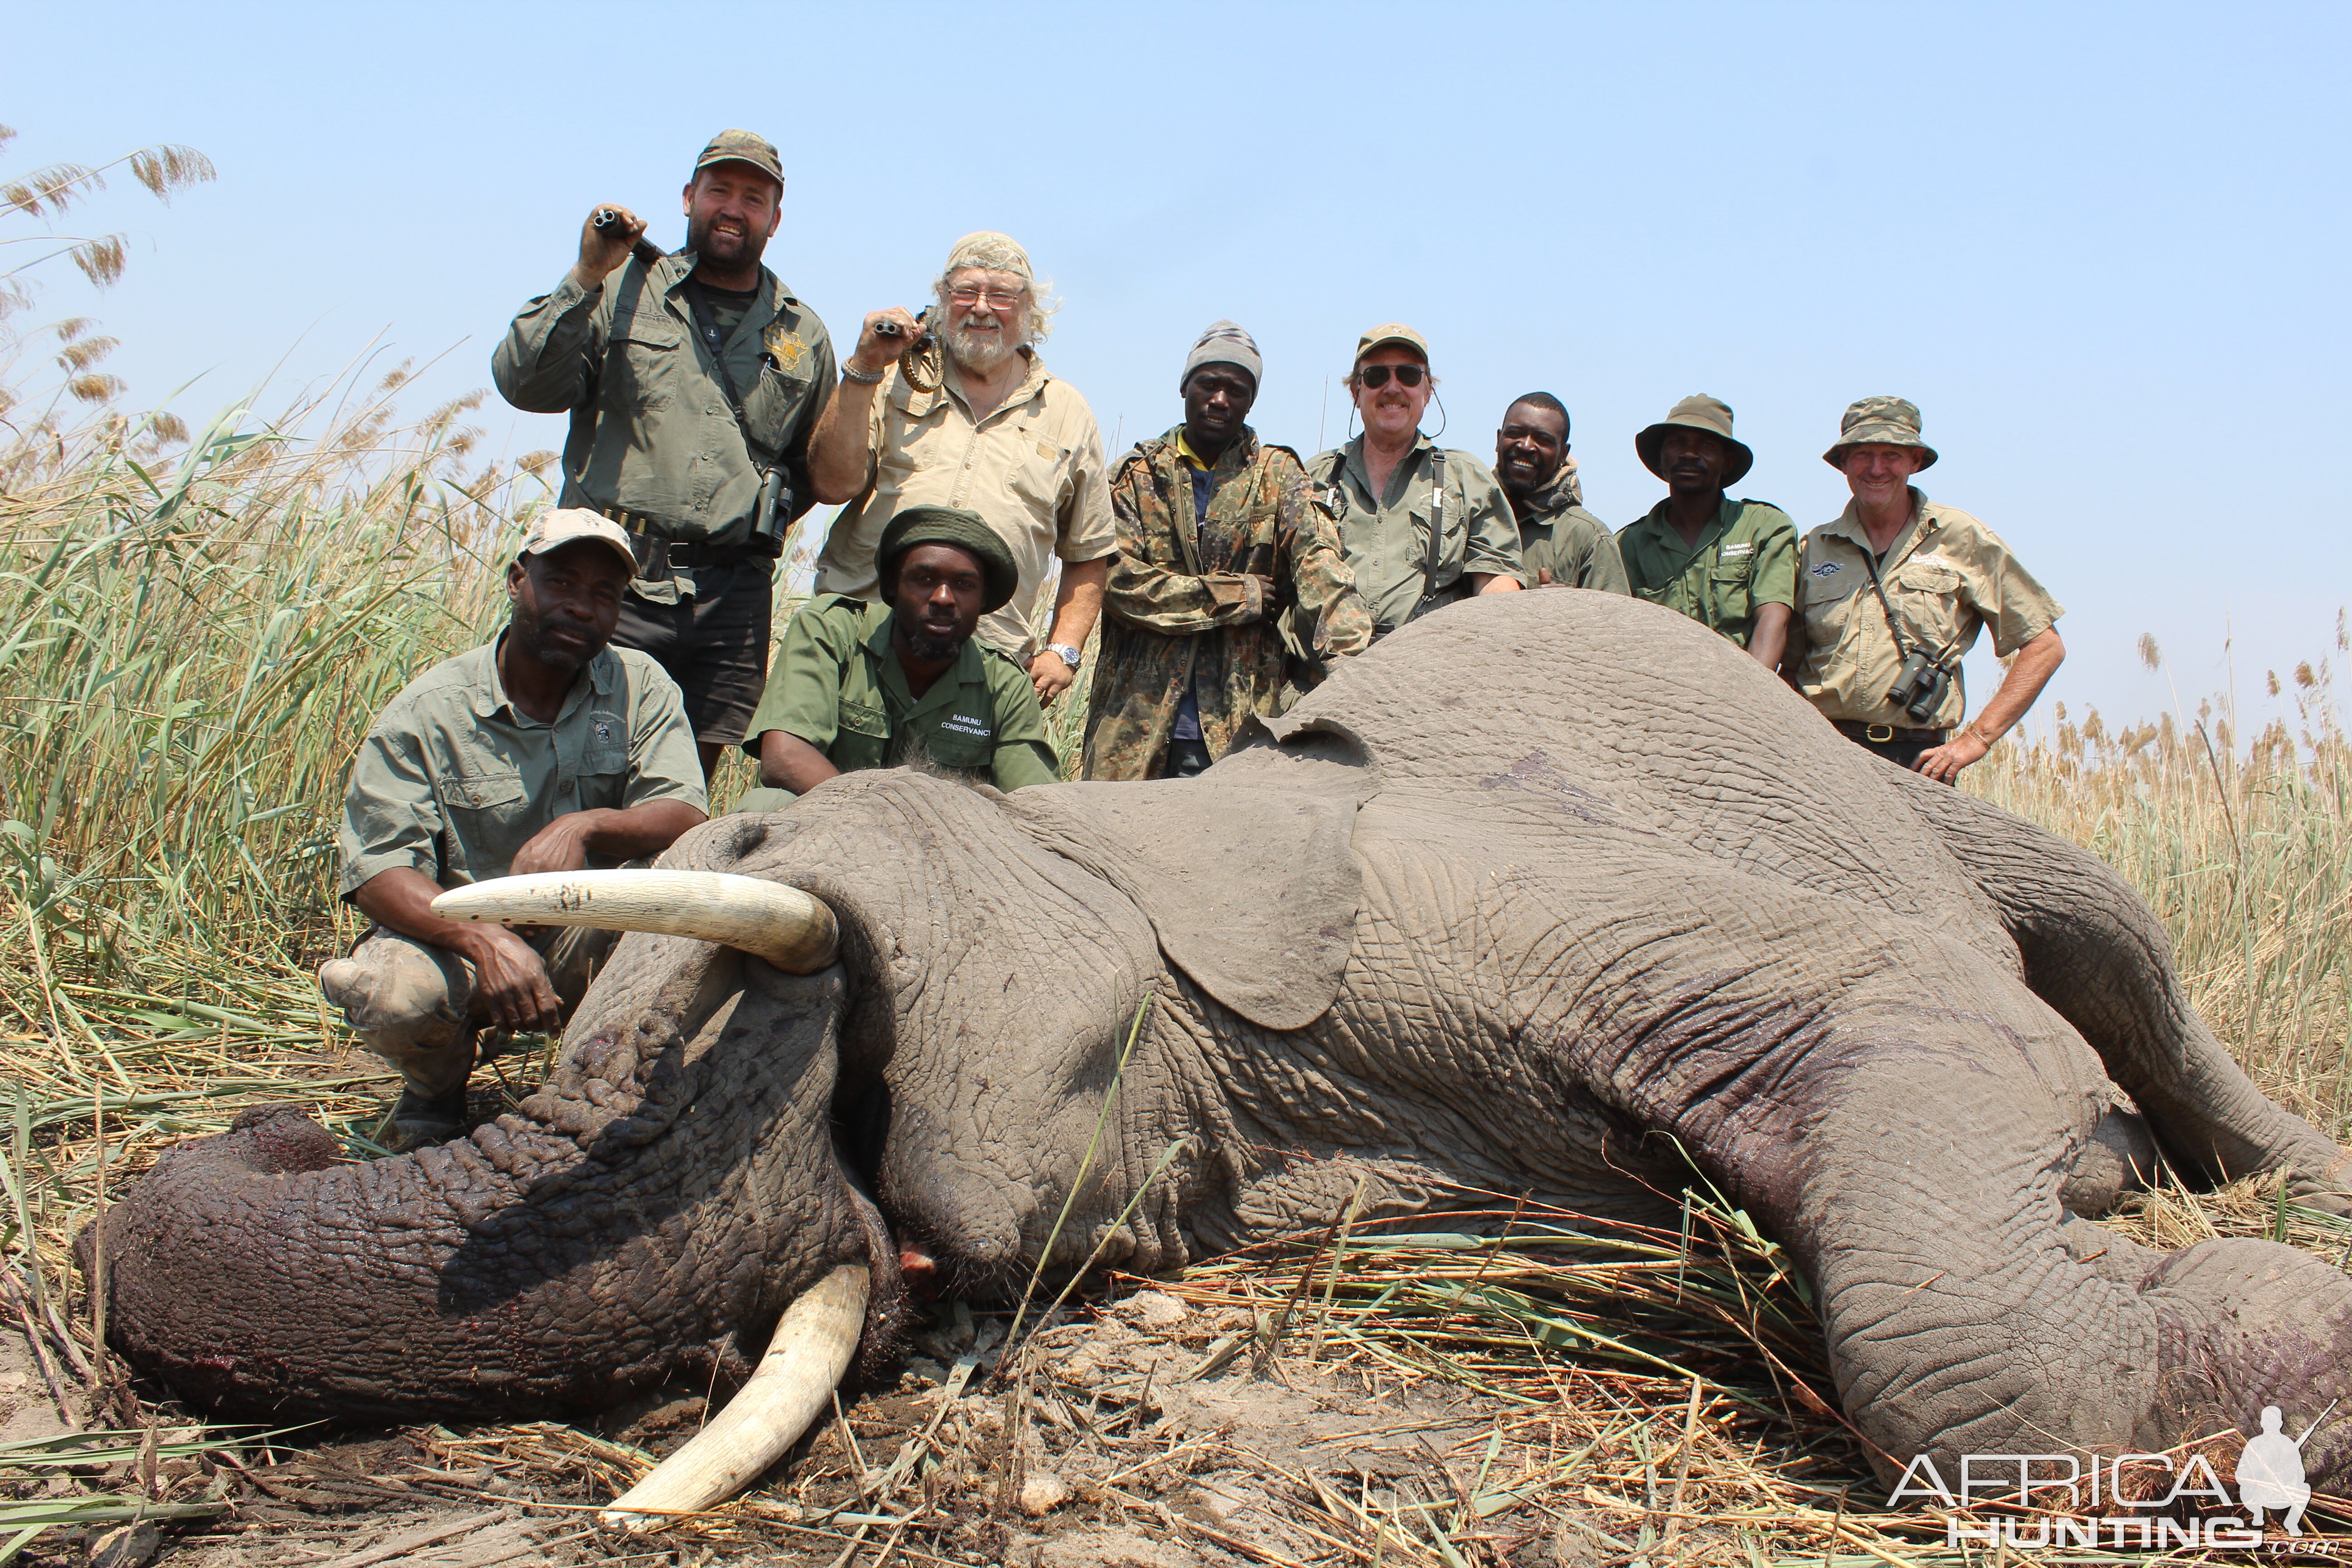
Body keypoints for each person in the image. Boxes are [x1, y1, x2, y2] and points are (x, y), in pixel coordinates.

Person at [320, 511, 709, 1150]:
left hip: (583, 934)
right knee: (391, 995)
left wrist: (586, 825)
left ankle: (601, 1080)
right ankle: (437, 1087)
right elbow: (379, 873)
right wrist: (483, 941)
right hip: (457, 943)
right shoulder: (428, 711)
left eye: (603, 595)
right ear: (517, 580)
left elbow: (686, 816)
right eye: (561, 583)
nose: (581, 608)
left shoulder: (640, 686)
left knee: (677, 910)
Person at [491, 130, 836, 782]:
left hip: (730, 595)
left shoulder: (800, 332)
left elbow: (815, 468)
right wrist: (587, 272)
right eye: (720, 190)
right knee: (575, 769)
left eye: (754, 198)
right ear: (688, 198)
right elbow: (524, 383)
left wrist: (745, 521)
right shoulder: (622, 285)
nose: (734, 208)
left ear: (776, 219)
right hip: (612, 579)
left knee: (684, 792)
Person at [804, 232, 1114, 707]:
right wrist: (864, 366)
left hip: (985, 664)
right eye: (966, 292)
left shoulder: (1068, 411)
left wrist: (1063, 651)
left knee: (957, 787)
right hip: (859, 637)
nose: (982, 308)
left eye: (1002, 296)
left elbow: (1089, 551)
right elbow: (830, 484)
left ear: (1029, 308)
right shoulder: (888, 376)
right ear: (942, 300)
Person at [1082, 322, 1374, 780]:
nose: (1220, 399)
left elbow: (1321, 563)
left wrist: (1354, 662)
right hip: (1132, 731)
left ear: (1251, 400)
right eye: (1209, 384)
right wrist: (1238, 596)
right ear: (1185, 387)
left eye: (1236, 390)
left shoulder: (1279, 476)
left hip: (1234, 736)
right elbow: (1119, 584)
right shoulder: (1134, 476)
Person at [1785, 397, 2065, 780]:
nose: (1877, 468)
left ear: (1915, 462)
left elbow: (2045, 646)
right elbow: (1789, 664)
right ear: (1844, 464)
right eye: (1863, 454)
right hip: (1822, 756)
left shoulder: (1963, 538)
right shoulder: (1814, 547)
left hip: (1919, 761)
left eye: (1892, 455)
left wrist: (1975, 741)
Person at [734, 505, 1059, 810]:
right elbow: (784, 757)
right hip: (830, 818)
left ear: (983, 598)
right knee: (764, 807)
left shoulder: (1004, 683)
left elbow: (1032, 803)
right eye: (925, 579)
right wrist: (884, 821)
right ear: (892, 586)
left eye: (964, 584)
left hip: (945, 847)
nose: (943, 598)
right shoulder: (832, 629)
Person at [1311, 324, 1521, 639]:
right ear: (1356, 392)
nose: (1393, 388)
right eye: (1376, 376)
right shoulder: (1310, 479)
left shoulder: (1469, 480)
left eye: (1409, 375)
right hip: (1321, 682)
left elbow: (1495, 584)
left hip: (1427, 680)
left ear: (1428, 391)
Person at [1616, 395, 1796, 665]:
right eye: (1677, 443)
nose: (1689, 454)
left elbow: (1773, 621)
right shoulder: (1628, 543)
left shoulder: (1766, 527)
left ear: (1728, 462)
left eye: (1706, 445)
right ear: (1661, 458)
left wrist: (1752, 700)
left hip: (1744, 689)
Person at [1495, 392, 1628, 593]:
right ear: (1498, 440)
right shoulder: (1468, 518)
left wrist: (1562, 611)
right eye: (1515, 433)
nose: (1526, 446)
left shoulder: (1589, 539)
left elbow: (1615, 621)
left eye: (1543, 440)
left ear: (1563, 454)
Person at [2235, 1404, 2314, 1535]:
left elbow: (2301, 1474)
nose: (2271, 1424)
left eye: (2275, 1421)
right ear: (2262, 1423)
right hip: (2257, 1494)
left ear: (2280, 1423)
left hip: (2282, 1493)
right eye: (2268, 1421)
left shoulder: (2288, 1444)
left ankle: (2291, 1523)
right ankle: (2257, 1515)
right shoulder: (2255, 1443)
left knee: (2305, 1489)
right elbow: (2241, 1474)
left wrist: (2286, 1474)